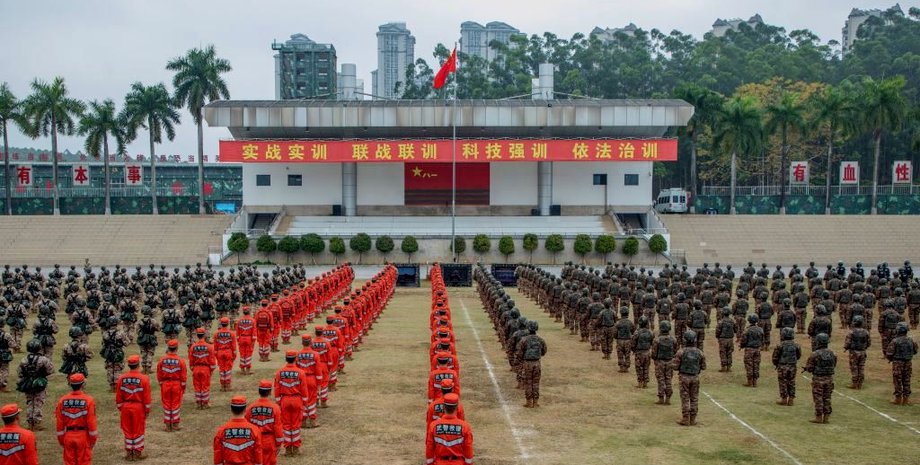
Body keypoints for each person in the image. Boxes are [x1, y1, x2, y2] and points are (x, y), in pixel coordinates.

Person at [54, 373, 98, 465]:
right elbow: (91, 422)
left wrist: (62, 440)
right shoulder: (88, 400)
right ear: (83, 385)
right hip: (83, 436)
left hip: (68, 436)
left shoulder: (62, 400)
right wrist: (93, 439)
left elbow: (59, 422)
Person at [115, 354, 152, 460]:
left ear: (128, 365)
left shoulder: (122, 378)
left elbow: (118, 395)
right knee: (138, 430)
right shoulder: (144, 378)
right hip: (138, 407)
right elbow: (146, 396)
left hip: (126, 406)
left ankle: (129, 452)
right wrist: (147, 409)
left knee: (127, 429)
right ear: (138, 364)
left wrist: (121, 407)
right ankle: (137, 452)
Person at [274, 350, 308, 456]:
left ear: (286, 359)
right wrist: (305, 401)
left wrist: (278, 401)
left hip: (285, 399)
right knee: (296, 425)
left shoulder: (280, 372)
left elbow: (277, 387)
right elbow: (303, 388)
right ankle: (296, 448)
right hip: (297, 399)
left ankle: (288, 448)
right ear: (295, 359)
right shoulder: (301, 372)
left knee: (286, 425)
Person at [425, 393, 474, 465]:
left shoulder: (434, 425)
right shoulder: (465, 426)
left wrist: (430, 463)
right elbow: (468, 447)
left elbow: (429, 446)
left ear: (444, 407)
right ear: (457, 407)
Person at [16, 339, 53, 431]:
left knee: (30, 401)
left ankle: (30, 422)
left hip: (27, 383)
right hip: (39, 383)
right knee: (38, 402)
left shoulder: (24, 359)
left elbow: (20, 373)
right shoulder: (44, 359)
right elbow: (50, 370)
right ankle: (36, 423)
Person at [213, 396, 263, 465]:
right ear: (245, 410)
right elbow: (258, 452)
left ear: (231, 409)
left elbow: (218, 453)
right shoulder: (254, 430)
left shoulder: (222, 430)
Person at [672, 331, 706, 426]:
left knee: (685, 398)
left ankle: (685, 418)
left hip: (684, 377)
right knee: (694, 398)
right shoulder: (699, 352)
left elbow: (675, 367)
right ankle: (693, 419)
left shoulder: (681, 352)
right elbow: (703, 367)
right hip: (695, 377)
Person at [245, 380, 283, 465]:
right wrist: (279, 443)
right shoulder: (275, 408)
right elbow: (278, 427)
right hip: (269, 440)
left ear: (259, 391)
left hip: (254, 440)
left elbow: (247, 426)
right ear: (270, 392)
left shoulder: (250, 408)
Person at [803, 333, 836, 424]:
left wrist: (807, 369)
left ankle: (818, 417)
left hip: (818, 379)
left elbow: (810, 368)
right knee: (827, 398)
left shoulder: (814, 354)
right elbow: (834, 365)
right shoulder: (832, 353)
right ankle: (826, 417)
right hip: (829, 378)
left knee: (818, 398)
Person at [156, 339, 187, 431]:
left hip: (165, 384)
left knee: (166, 404)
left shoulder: (162, 360)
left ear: (168, 348)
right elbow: (183, 376)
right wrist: (183, 387)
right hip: (176, 384)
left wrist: (161, 383)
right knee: (175, 404)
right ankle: (175, 424)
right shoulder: (180, 361)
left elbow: (159, 373)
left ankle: (168, 425)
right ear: (176, 348)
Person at [885, 322, 918, 405]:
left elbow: (889, 353)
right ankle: (906, 399)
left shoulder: (895, 341)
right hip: (908, 362)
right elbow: (915, 351)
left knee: (897, 380)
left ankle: (898, 399)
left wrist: (892, 359)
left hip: (897, 363)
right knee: (906, 380)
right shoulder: (911, 340)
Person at [516, 320, 547, 408]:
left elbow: (519, 353)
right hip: (537, 363)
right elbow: (544, 351)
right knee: (536, 383)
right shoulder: (540, 340)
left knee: (528, 382)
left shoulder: (524, 340)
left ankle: (529, 402)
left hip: (527, 363)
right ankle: (536, 402)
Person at [771, 327, 801, 406]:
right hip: (792, 365)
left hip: (782, 365)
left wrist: (776, 364)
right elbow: (798, 355)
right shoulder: (796, 345)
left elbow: (775, 357)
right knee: (791, 381)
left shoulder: (780, 345)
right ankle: (791, 399)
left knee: (783, 382)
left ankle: (784, 398)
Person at [189, 327, 217, 409]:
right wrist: (211, 370)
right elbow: (212, 360)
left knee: (197, 386)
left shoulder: (193, 347)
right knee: (205, 386)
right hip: (205, 369)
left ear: (197, 336)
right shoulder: (209, 346)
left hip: (196, 368)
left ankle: (198, 403)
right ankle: (205, 403)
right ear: (204, 335)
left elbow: (191, 360)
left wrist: (193, 369)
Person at [651, 321, 676, 405]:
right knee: (668, 379)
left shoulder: (657, 340)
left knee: (661, 380)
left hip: (660, 362)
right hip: (670, 361)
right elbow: (675, 351)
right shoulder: (673, 339)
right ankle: (668, 398)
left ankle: (661, 398)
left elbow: (654, 353)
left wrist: (655, 359)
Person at [843, 316, 870, 390]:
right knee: (861, 367)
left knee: (854, 367)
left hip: (854, 352)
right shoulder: (866, 332)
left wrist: (846, 348)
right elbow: (868, 343)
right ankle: (860, 383)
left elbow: (848, 342)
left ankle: (854, 383)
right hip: (862, 352)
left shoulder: (851, 332)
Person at [213, 317, 237, 391]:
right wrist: (234, 356)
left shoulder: (216, 333)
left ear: (221, 324)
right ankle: (228, 385)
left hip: (220, 352)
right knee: (228, 369)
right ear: (228, 324)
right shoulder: (231, 333)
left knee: (221, 369)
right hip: (228, 352)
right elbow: (234, 346)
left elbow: (215, 346)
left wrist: (216, 355)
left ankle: (222, 385)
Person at [740, 314, 764, 387]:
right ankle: (755, 381)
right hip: (757, 349)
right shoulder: (760, 329)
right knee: (756, 365)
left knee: (749, 365)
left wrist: (742, 346)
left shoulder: (747, 330)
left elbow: (743, 340)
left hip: (749, 349)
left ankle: (750, 382)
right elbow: (762, 339)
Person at [136, 306, 160, 375]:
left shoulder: (139, 321)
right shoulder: (153, 321)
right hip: (151, 338)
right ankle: (148, 368)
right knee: (150, 353)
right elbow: (158, 329)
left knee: (143, 353)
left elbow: (137, 331)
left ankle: (144, 368)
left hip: (142, 338)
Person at [631, 317, 653, 388]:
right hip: (647, 352)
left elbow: (633, 343)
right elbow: (652, 342)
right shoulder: (650, 332)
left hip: (639, 353)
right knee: (646, 368)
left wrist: (634, 350)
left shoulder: (637, 332)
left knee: (639, 368)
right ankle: (645, 383)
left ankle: (640, 383)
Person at [614, 307, 635, 373]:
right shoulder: (630, 322)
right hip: (628, 340)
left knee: (620, 354)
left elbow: (615, 333)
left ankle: (621, 367)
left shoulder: (618, 323)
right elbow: (633, 331)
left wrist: (616, 337)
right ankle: (626, 367)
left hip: (620, 340)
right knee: (627, 354)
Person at [715, 307, 736, 372]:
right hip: (730, 339)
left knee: (723, 353)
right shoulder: (732, 321)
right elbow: (735, 330)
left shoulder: (721, 322)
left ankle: (723, 367)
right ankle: (729, 367)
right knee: (729, 353)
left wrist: (718, 337)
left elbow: (718, 331)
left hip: (722, 339)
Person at [236, 306, 256, 375]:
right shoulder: (252, 320)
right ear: (249, 312)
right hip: (249, 338)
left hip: (241, 338)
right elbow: (254, 331)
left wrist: (238, 339)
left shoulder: (239, 320)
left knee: (242, 354)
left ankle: (242, 369)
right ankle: (248, 370)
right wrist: (253, 340)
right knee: (248, 354)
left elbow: (237, 331)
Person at [0, 321, 14, 392]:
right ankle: (2, 386)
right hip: (4, 355)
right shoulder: (6, 335)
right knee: (4, 370)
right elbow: (12, 345)